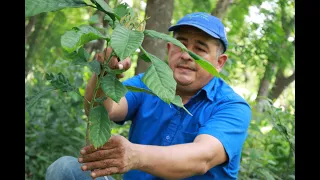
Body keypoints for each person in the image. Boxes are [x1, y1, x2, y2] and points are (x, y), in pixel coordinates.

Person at [46, 12, 251, 180]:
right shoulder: (148, 83)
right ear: (169, 48)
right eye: (180, 45)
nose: (186, 55)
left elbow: (202, 158)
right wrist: (105, 70)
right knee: (65, 169)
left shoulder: (232, 106)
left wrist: (133, 156)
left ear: (219, 62)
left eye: (200, 49)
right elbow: (104, 110)